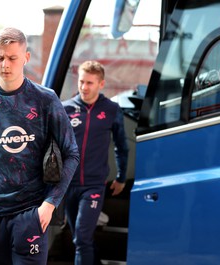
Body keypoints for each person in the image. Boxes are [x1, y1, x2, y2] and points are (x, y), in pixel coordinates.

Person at [0, 27, 80, 265]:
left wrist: (49, 204)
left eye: (12, 58)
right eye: (0, 57)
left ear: (26, 57)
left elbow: (71, 153)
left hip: (29, 214)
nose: (5, 64)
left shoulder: (45, 100)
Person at [62, 60, 129, 265]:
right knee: (81, 238)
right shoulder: (65, 108)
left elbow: (121, 146)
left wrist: (121, 177)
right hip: (68, 184)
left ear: (101, 84)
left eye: (90, 83)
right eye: (82, 81)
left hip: (93, 185)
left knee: (82, 237)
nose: (84, 87)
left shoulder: (111, 109)